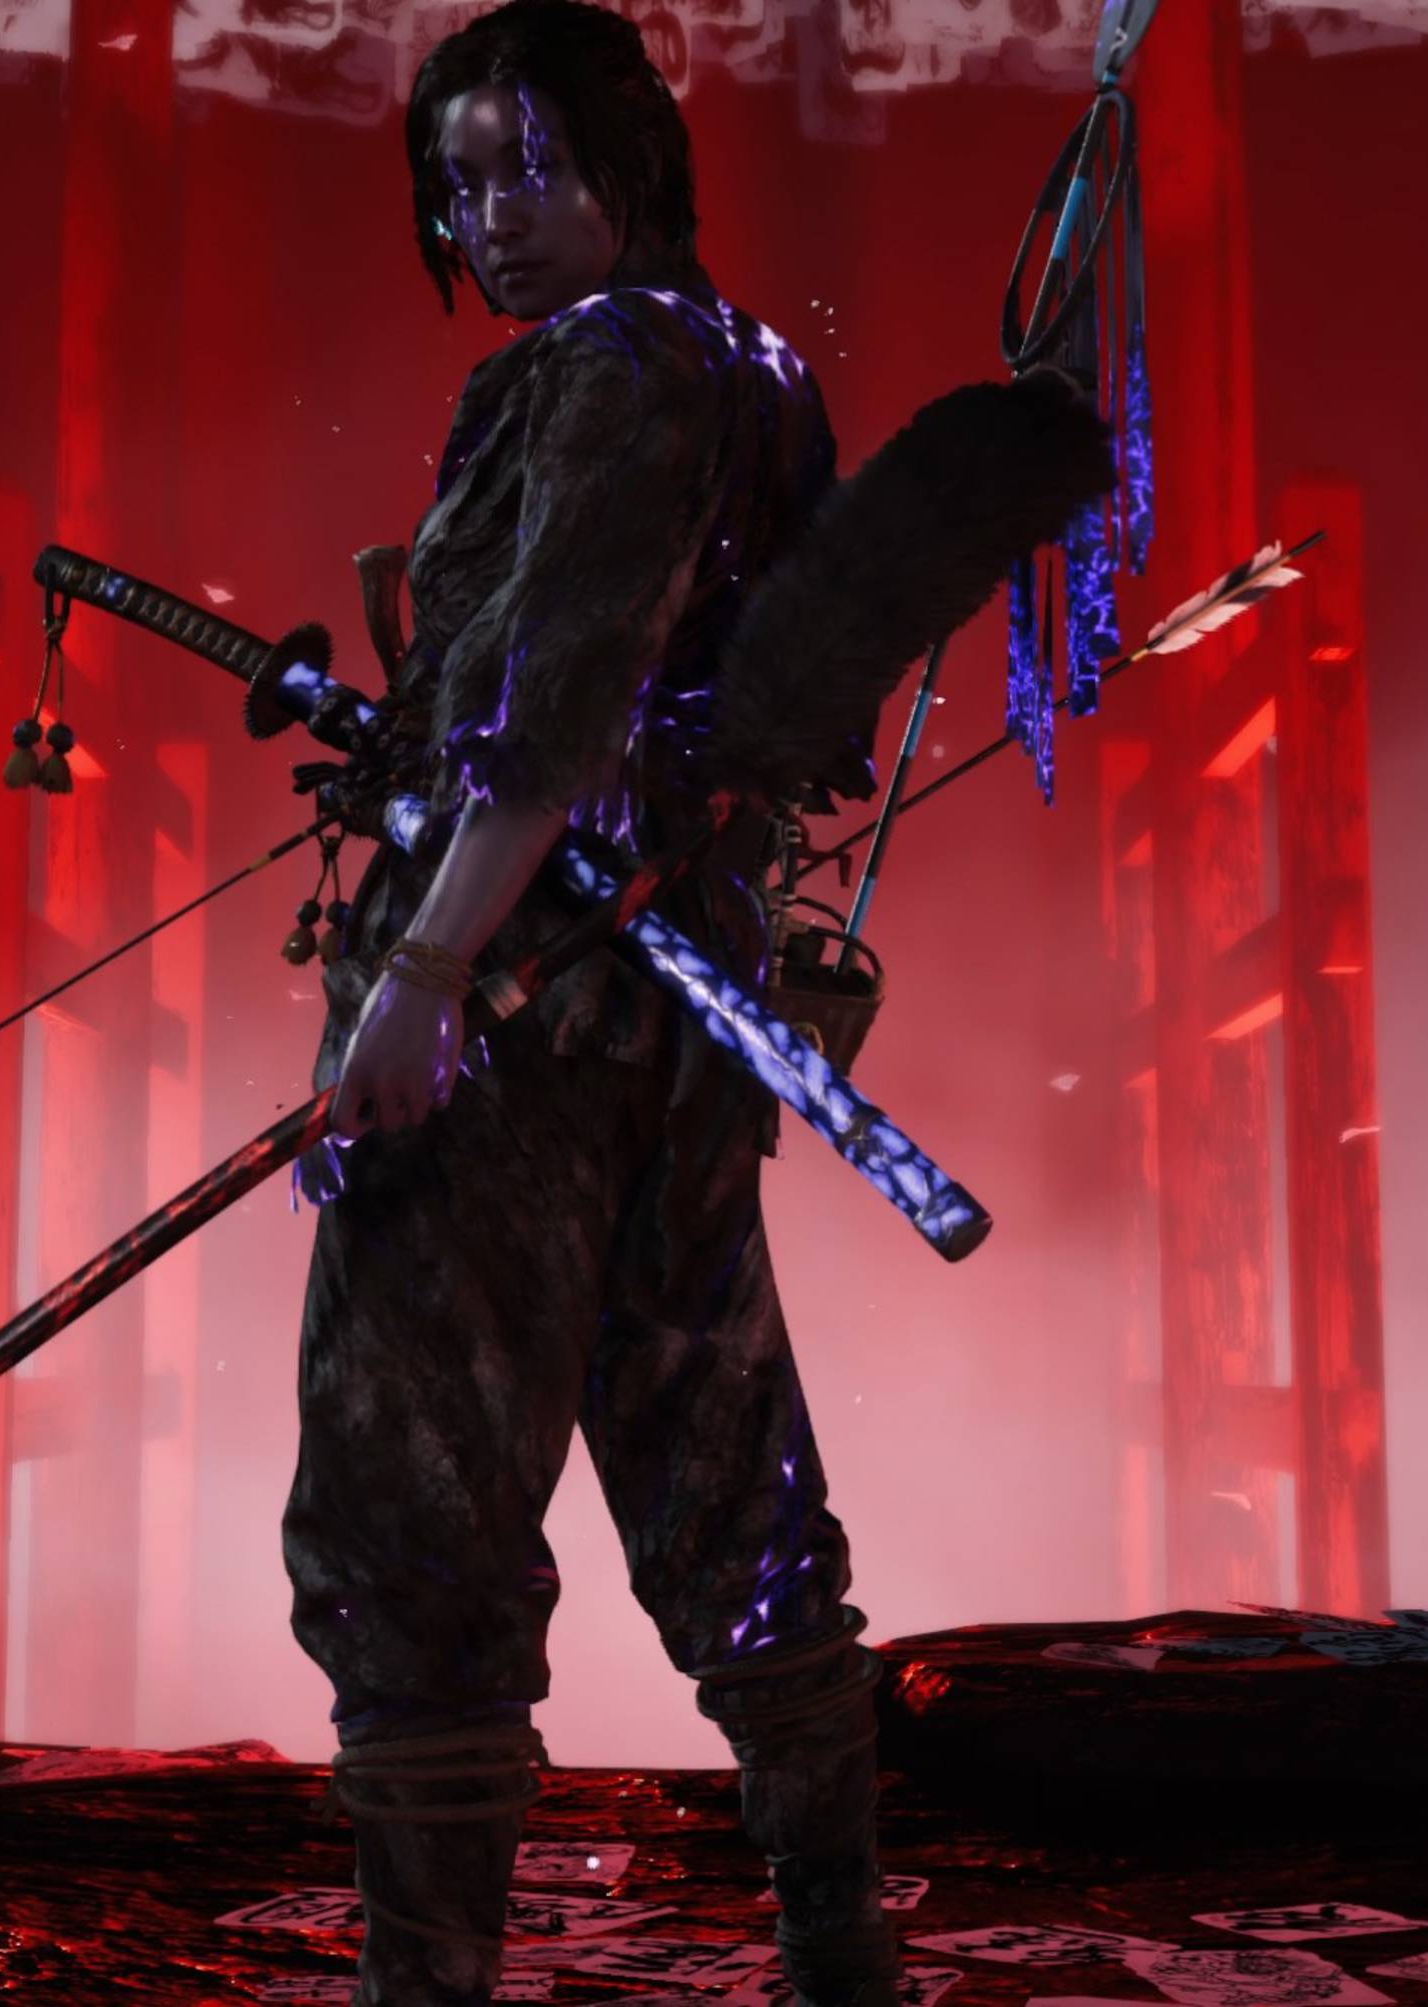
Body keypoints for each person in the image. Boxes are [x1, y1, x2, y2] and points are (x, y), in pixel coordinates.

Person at [276, 5, 899, 2005]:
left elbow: (556, 699)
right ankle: (837, 1942)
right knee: (716, 1451)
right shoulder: (754, 370)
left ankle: (430, 1983)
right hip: (668, 1022)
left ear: (631, 166)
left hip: (518, 1021)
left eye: (534, 168)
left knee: (412, 1497)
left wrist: (424, 974)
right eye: (462, 184)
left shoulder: (609, 364)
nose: (495, 217)